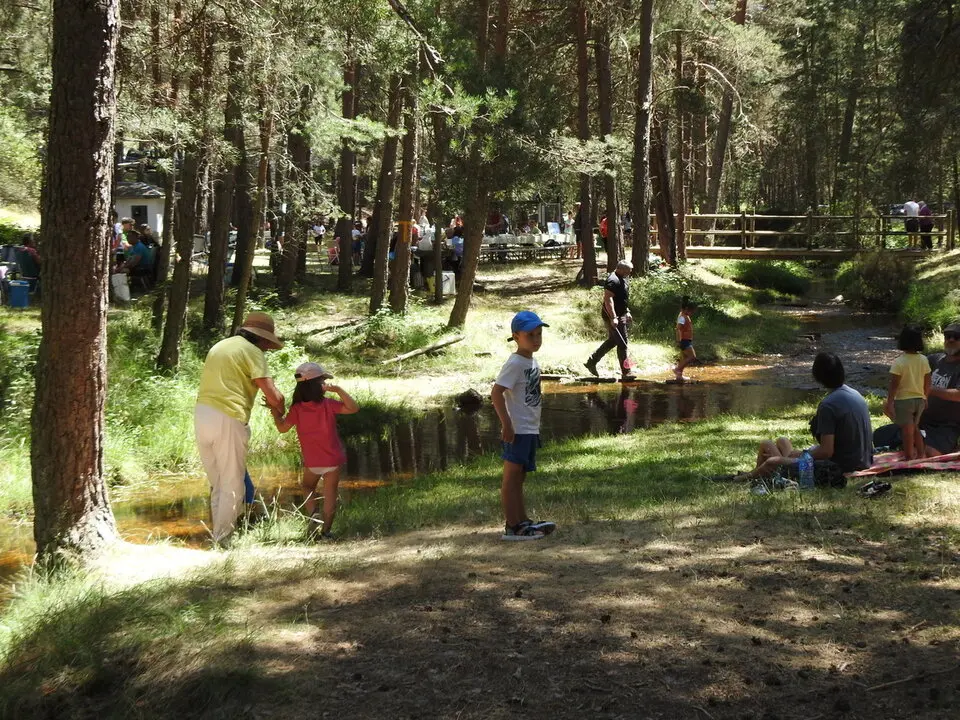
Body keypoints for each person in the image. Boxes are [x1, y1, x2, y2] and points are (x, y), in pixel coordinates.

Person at [195, 312, 285, 545]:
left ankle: (219, 535)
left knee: (218, 482)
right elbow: (272, 395)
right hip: (229, 416)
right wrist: (280, 405)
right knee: (233, 481)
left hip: (202, 414)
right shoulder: (252, 352)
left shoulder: (221, 345)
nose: (267, 349)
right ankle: (224, 539)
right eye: (267, 343)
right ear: (262, 339)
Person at [736, 352, 872, 485]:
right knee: (783, 441)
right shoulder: (855, 394)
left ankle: (747, 478)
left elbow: (826, 451)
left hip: (837, 467)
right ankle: (761, 473)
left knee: (769, 452)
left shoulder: (828, 405)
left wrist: (803, 454)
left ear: (817, 376)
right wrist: (801, 454)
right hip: (862, 460)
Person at [270, 362, 358, 541]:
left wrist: (275, 413)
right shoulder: (328, 404)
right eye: (323, 381)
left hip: (312, 462)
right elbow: (353, 408)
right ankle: (326, 532)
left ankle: (313, 513)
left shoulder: (297, 409)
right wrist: (339, 390)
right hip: (332, 461)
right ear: (320, 385)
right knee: (330, 495)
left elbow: (282, 428)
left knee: (307, 487)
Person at [491, 311, 557, 541]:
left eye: (539, 334)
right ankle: (512, 526)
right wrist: (506, 424)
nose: (536, 339)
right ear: (516, 336)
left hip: (529, 428)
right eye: (530, 335)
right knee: (511, 477)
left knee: (520, 477)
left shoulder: (531, 360)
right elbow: (496, 393)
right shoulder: (515, 362)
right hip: (517, 429)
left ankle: (523, 521)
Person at [874, 321, 960, 456]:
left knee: (932, 452)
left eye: (956, 337)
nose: (951, 340)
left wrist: (928, 389)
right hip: (920, 419)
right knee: (879, 436)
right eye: (947, 336)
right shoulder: (934, 359)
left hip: (945, 426)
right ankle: (912, 437)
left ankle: (913, 441)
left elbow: (958, 395)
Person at [883, 326, 931, 460]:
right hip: (920, 400)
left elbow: (894, 385)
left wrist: (890, 402)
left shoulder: (899, 362)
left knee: (906, 431)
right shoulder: (924, 359)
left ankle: (909, 456)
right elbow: (928, 381)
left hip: (904, 401)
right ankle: (921, 453)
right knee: (915, 427)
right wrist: (925, 396)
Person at [584, 260, 635, 381]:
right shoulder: (613, 280)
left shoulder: (622, 278)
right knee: (623, 343)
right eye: (628, 271)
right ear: (621, 269)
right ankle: (626, 372)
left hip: (621, 314)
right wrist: (613, 317)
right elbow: (608, 300)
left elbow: (622, 298)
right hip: (612, 316)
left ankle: (592, 361)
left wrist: (627, 311)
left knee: (613, 341)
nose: (630, 273)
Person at [674, 296, 697, 382]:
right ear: (687, 309)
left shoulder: (684, 316)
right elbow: (678, 328)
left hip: (686, 340)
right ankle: (678, 369)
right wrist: (679, 340)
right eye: (692, 311)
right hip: (684, 341)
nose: (692, 313)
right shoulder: (682, 317)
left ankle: (679, 376)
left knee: (684, 358)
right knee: (692, 357)